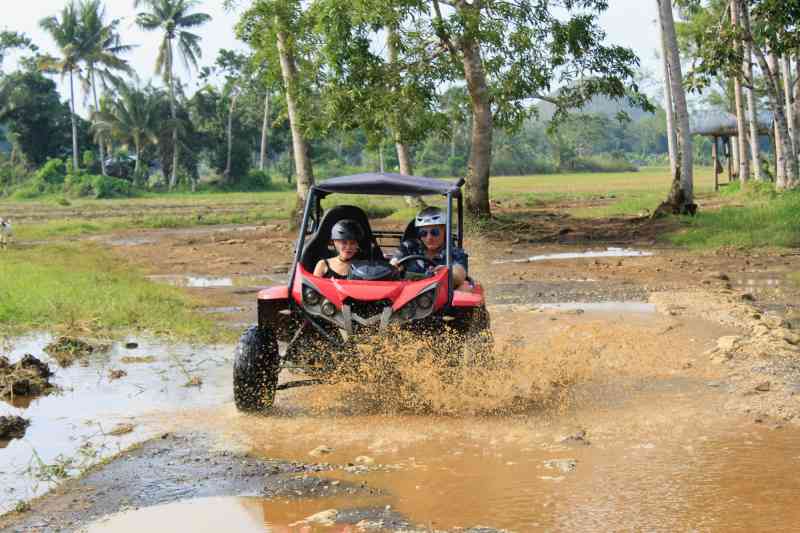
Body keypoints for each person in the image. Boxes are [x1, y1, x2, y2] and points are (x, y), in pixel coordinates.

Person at [390, 206, 468, 288]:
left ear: (444, 231)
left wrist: (448, 274)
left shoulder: (454, 253)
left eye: (435, 232)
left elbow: (459, 273)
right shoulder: (409, 247)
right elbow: (394, 262)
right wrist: (394, 266)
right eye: (423, 233)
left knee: (464, 288)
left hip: (439, 297)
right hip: (406, 296)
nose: (429, 238)